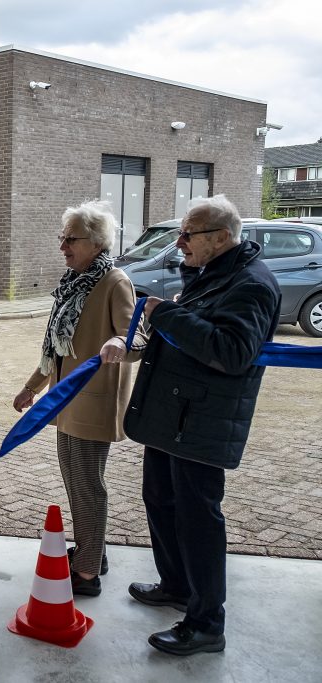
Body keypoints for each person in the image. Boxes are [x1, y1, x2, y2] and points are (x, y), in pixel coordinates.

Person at [124, 195, 280, 656]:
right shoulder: (214, 273)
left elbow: (232, 352)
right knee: (161, 499)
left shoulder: (252, 284)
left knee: (198, 521)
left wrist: (166, 313)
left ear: (222, 237)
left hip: (201, 424)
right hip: (173, 417)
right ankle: (176, 585)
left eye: (188, 234)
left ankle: (207, 623)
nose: (179, 242)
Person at [12, 200, 146, 597]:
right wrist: (32, 386)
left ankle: (87, 571)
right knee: (74, 482)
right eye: (62, 238)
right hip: (65, 400)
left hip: (94, 403)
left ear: (97, 242)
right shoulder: (73, 282)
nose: (63, 247)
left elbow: (137, 338)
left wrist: (122, 340)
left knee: (88, 485)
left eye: (71, 239)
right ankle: (93, 548)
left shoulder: (114, 281)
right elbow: (57, 347)